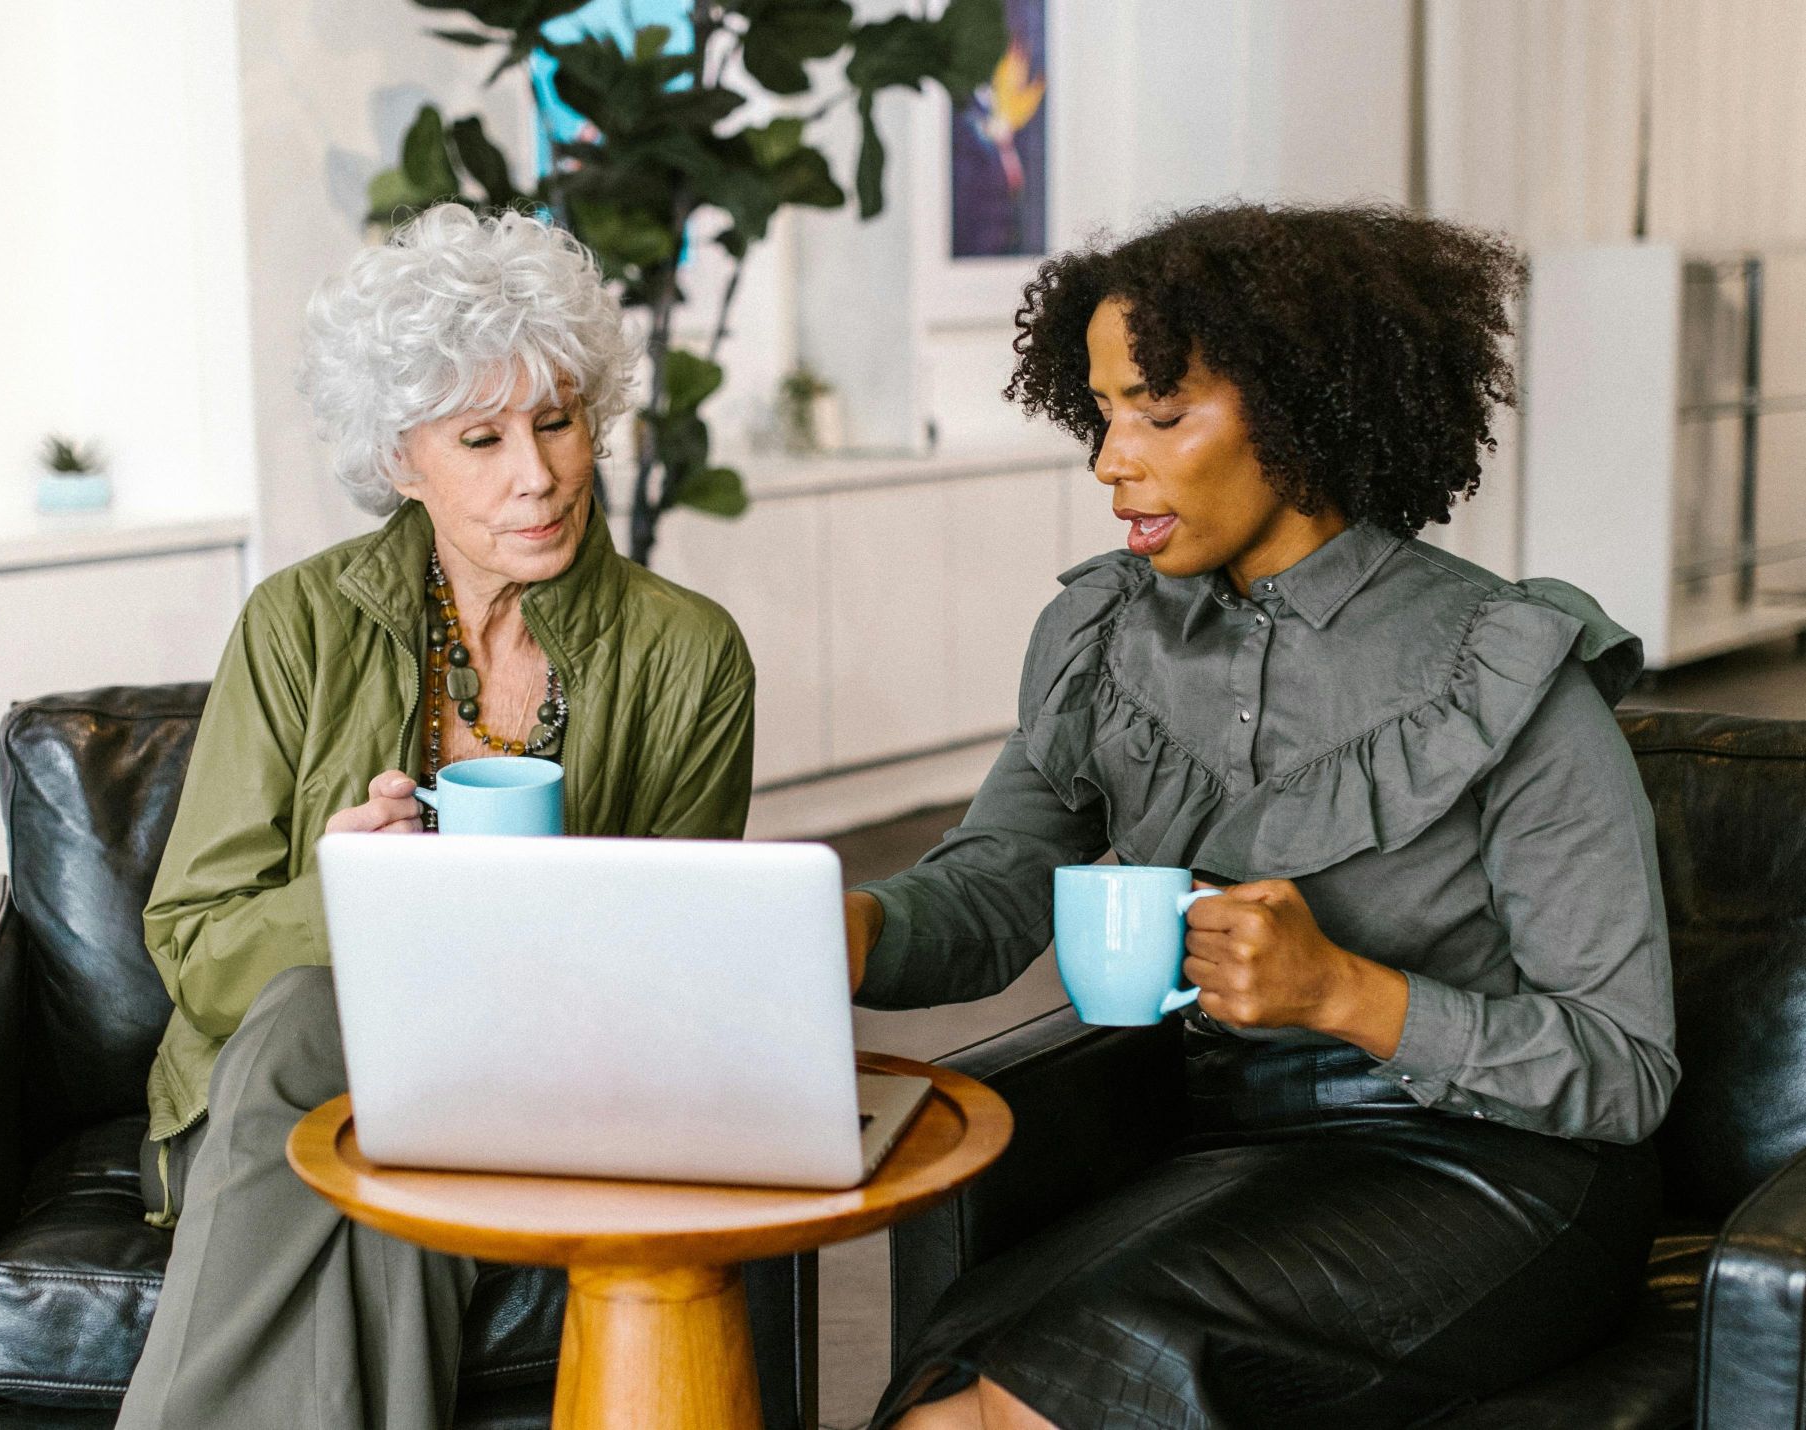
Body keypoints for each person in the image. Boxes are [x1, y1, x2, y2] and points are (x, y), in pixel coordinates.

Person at [844, 203, 1678, 1430]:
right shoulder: (1103, 635)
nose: (1108, 459)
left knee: (1039, 1395)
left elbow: (1625, 1069)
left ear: (1295, 412)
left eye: (1161, 412)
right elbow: (993, 885)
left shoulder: (1502, 664)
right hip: (1235, 1147)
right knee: (951, 1385)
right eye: (1105, 409)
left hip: (1501, 1171)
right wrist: (839, 927)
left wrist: (1342, 990)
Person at [117, 203, 755, 1430]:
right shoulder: (296, 624)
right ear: (401, 458)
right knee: (332, 1044)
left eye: (558, 421)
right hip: (285, 1100)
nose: (539, 472)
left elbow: (680, 974)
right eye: (481, 436)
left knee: (357, 1069)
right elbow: (194, 955)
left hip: (549, 1085)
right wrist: (341, 898)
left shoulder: (690, 653)